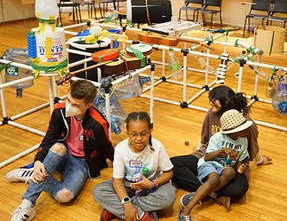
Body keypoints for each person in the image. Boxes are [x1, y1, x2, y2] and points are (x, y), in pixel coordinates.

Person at [7, 79, 115, 221]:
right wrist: (38, 161)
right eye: (68, 100)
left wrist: (123, 167)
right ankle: (27, 206)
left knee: (65, 196)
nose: (69, 106)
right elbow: (49, 139)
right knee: (58, 147)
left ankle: (31, 176)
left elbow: (107, 147)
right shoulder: (59, 111)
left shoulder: (98, 123)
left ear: (88, 105)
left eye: (75, 104)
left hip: (82, 163)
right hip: (62, 153)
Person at [171, 85, 271, 204]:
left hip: (231, 168)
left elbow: (253, 144)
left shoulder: (246, 124)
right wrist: (197, 150)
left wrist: (259, 160)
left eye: (214, 101)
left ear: (226, 102)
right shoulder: (211, 114)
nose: (210, 103)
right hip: (207, 159)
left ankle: (202, 191)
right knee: (172, 164)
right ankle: (213, 194)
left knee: (239, 190)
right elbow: (204, 138)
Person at [93, 111, 176, 221]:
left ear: (150, 132)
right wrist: (127, 205)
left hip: (151, 183)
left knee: (169, 197)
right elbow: (117, 181)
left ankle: (116, 208)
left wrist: (152, 184)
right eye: (134, 134)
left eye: (143, 134)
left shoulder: (157, 147)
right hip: (128, 183)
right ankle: (143, 216)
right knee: (99, 191)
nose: (138, 138)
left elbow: (169, 173)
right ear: (127, 132)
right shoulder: (120, 149)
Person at [178, 109, 251, 221]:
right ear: (231, 131)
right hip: (209, 164)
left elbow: (239, 161)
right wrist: (222, 150)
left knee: (230, 172)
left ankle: (202, 194)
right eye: (242, 128)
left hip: (224, 168)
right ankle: (185, 211)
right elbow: (207, 157)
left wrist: (240, 168)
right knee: (214, 179)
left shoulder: (244, 141)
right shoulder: (217, 137)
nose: (246, 129)